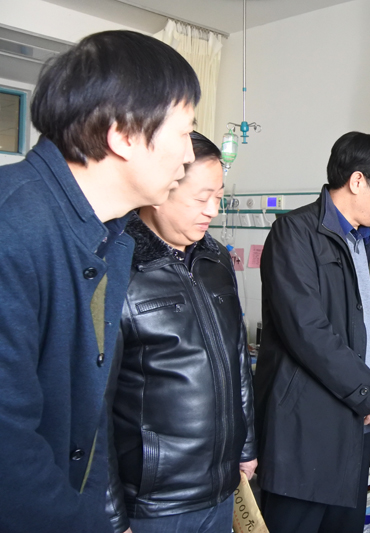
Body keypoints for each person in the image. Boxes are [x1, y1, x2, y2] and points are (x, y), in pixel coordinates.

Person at [0, 31, 199, 533]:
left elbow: (83, 419)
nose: (188, 157)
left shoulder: (107, 236)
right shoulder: (12, 225)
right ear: (123, 135)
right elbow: (8, 444)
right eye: (184, 133)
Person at [254, 131, 370, 533]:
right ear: (358, 181)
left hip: (362, 425)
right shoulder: (294, 233)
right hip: (306, 430)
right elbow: (307, 331)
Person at [106, 132, 256, 533]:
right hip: (155, 502)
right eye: (201, 197)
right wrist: (111, 516)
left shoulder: (215, 258)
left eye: (219, 197)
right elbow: (92, 407)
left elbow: (237, 357)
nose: (212, 210)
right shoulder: (116, 266)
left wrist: (245, 447)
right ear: (160, 189)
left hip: (223, 487)